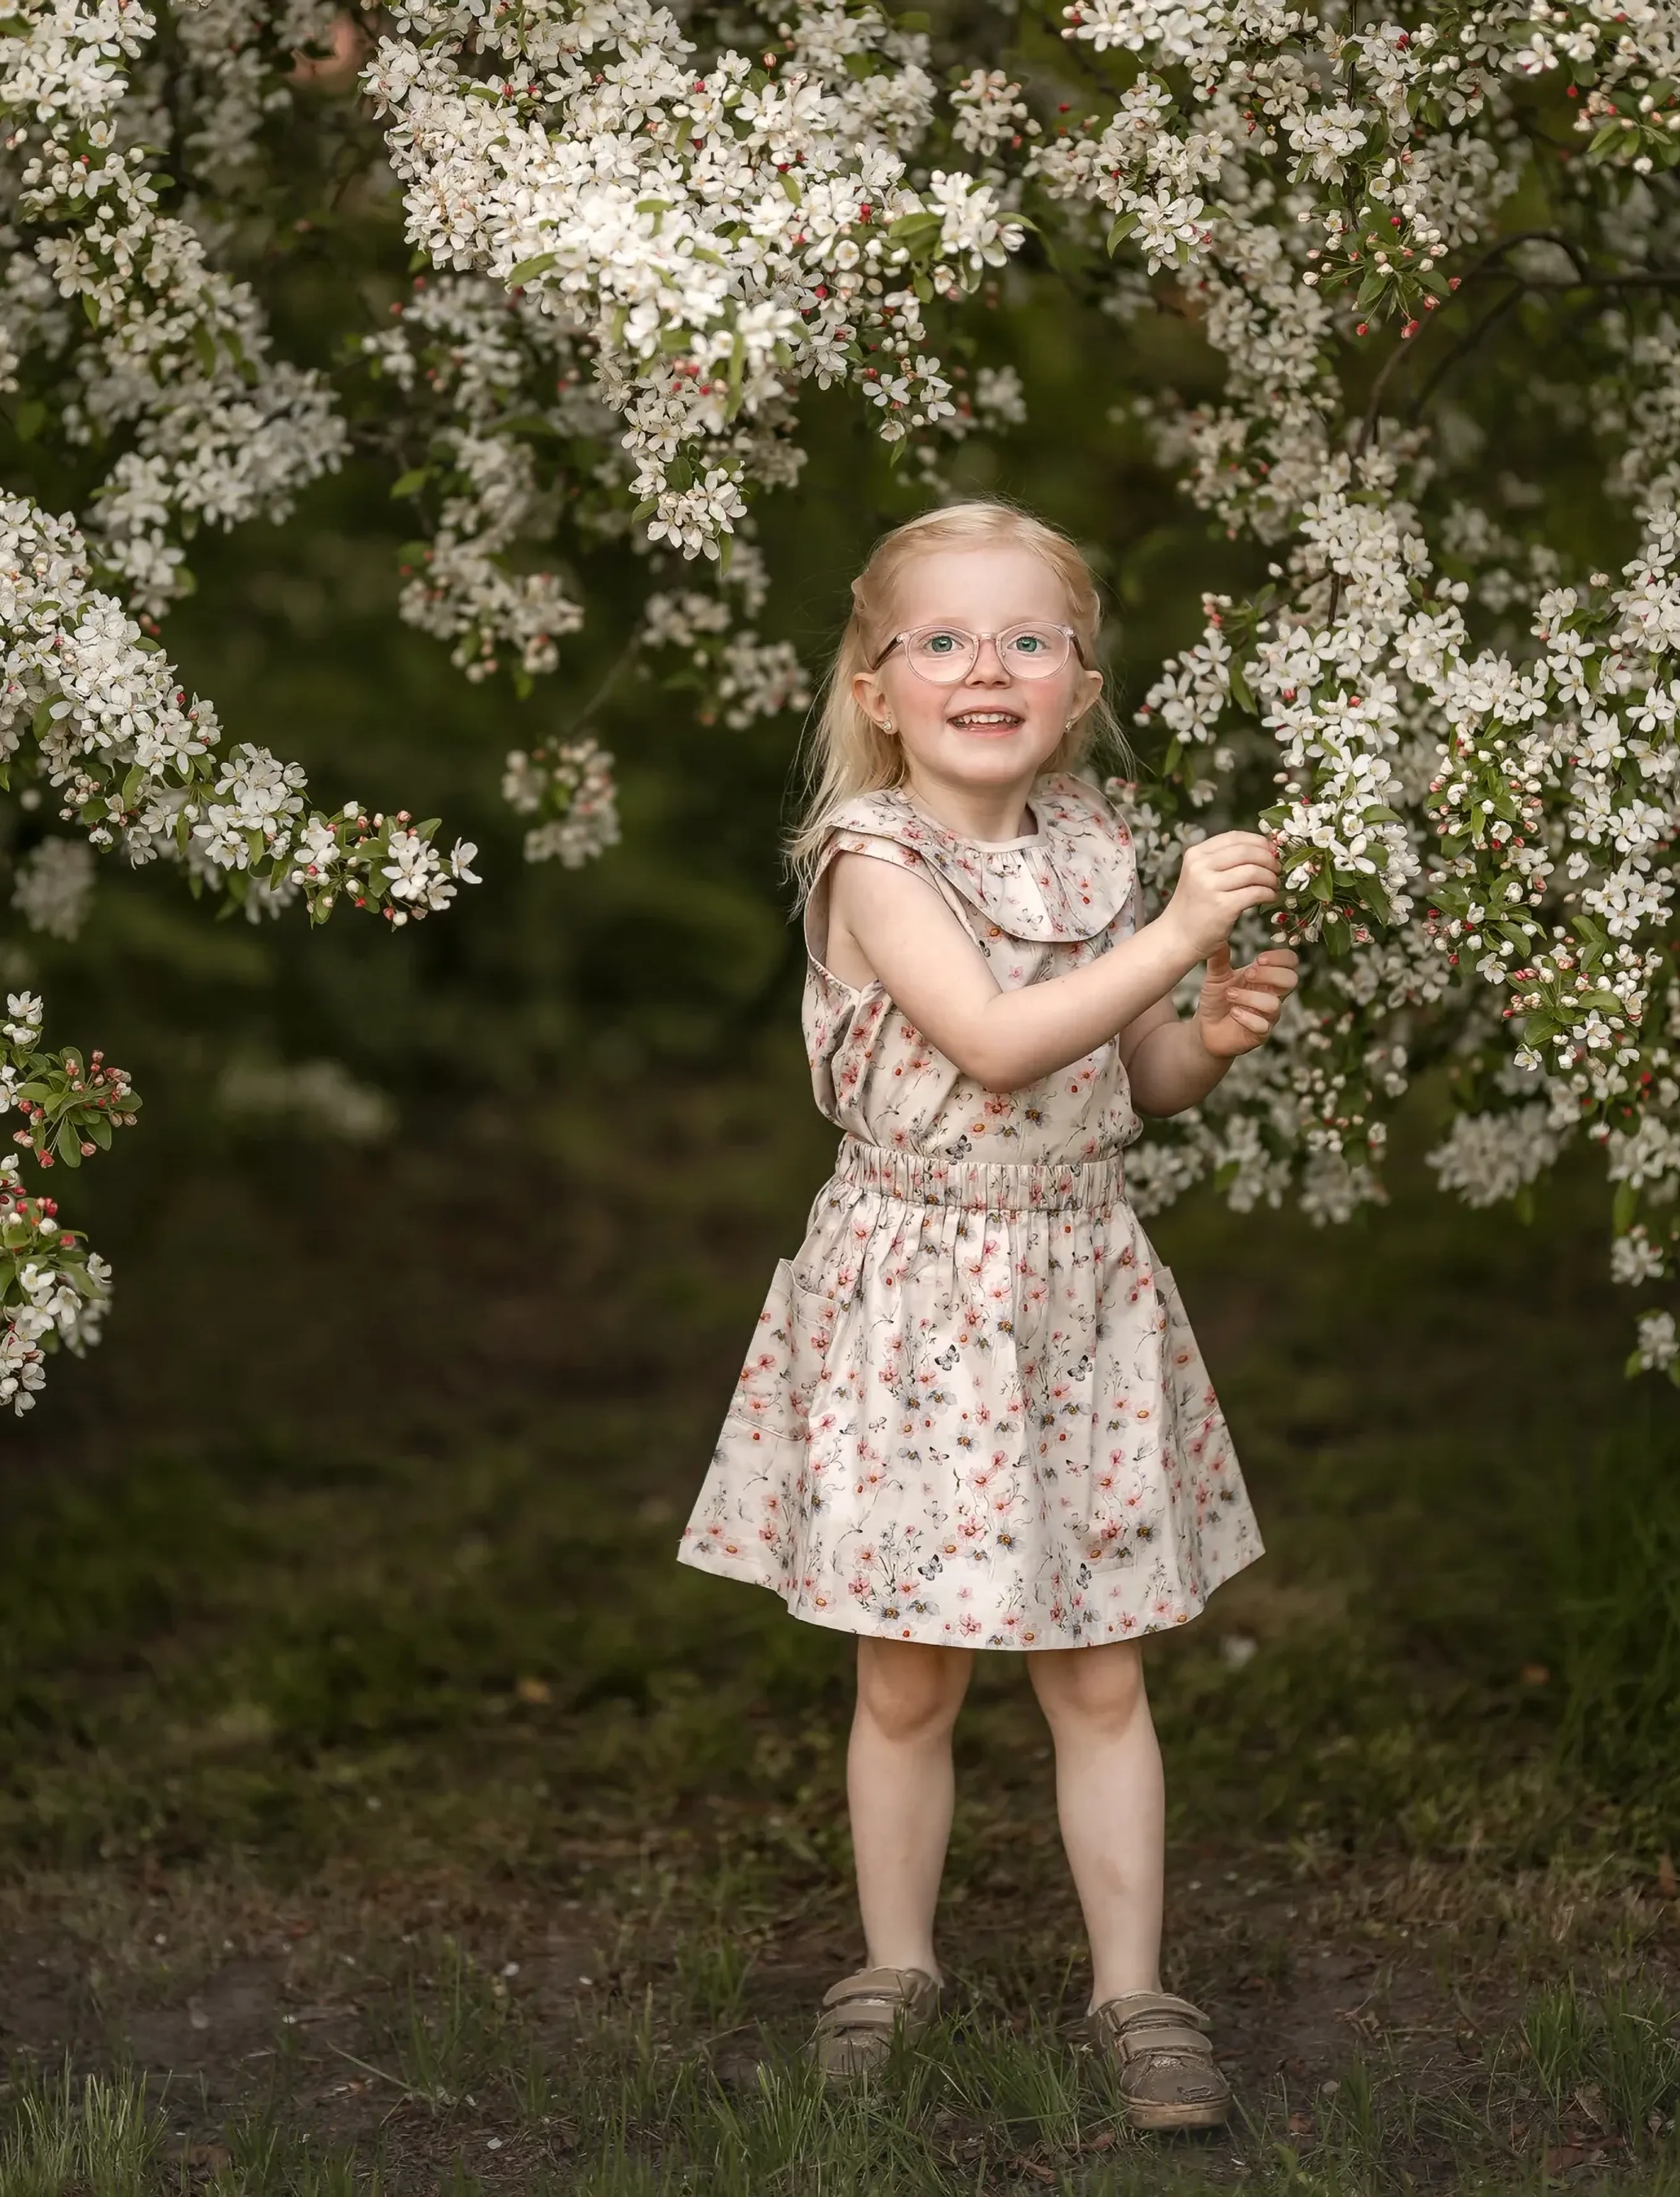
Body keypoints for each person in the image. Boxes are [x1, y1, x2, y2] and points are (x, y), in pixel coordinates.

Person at [677, 498, 1297, 2128]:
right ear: (877, 687)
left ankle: (1135, 1990)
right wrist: (1174, 929)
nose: (987, 667)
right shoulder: (870, 863)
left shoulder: (1094, 845)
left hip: (1081, 1283)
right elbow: (995, 1043)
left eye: (1029, 639)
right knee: (911, 1673)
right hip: (923, 1299)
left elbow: (1118, 1074)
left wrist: (1204, 1028)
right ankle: (893, 1962)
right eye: (941, 639)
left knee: (1100, 1669)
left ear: (1080, 685)